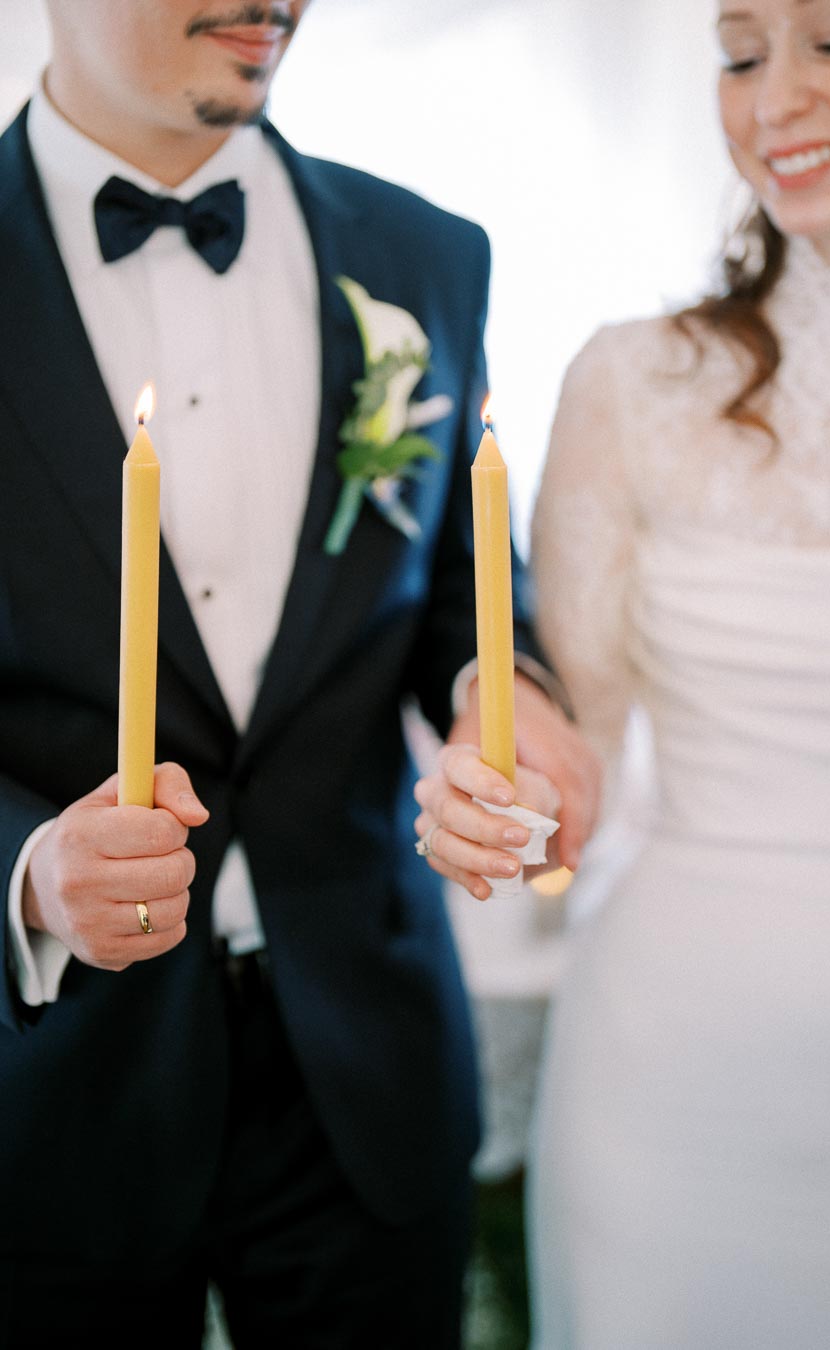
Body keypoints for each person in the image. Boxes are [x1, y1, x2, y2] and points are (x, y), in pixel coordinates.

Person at [0, 4, 600, 1346]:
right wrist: (30, 880)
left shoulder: (426, 256)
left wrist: (512, 717)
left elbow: (466, 596)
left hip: (367, 1066)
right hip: (50, 1083)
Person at [418, 0, 830, 1344]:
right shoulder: (634, 382)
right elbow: (562, 728)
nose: (773, 100)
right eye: (740, 56)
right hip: (682, 1072)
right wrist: (504, 778)